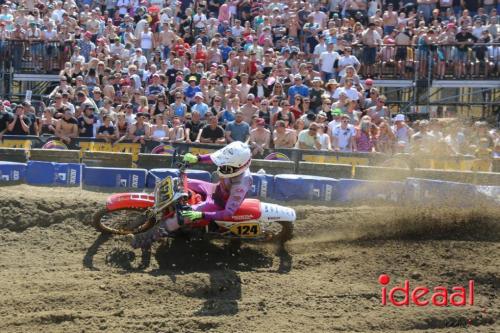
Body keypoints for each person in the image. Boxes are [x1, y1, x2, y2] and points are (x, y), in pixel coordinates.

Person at [132, 141, 253, 248]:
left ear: (238, 167)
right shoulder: (235, 161)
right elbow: (218, 158)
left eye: (225, 166)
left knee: (181, 218)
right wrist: (198, 158)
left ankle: (145, 239)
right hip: (214, 189)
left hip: (218, 204)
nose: (221, 166)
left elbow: (228, 213)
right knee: (177, 182)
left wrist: (199, 214)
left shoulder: (241, 184)